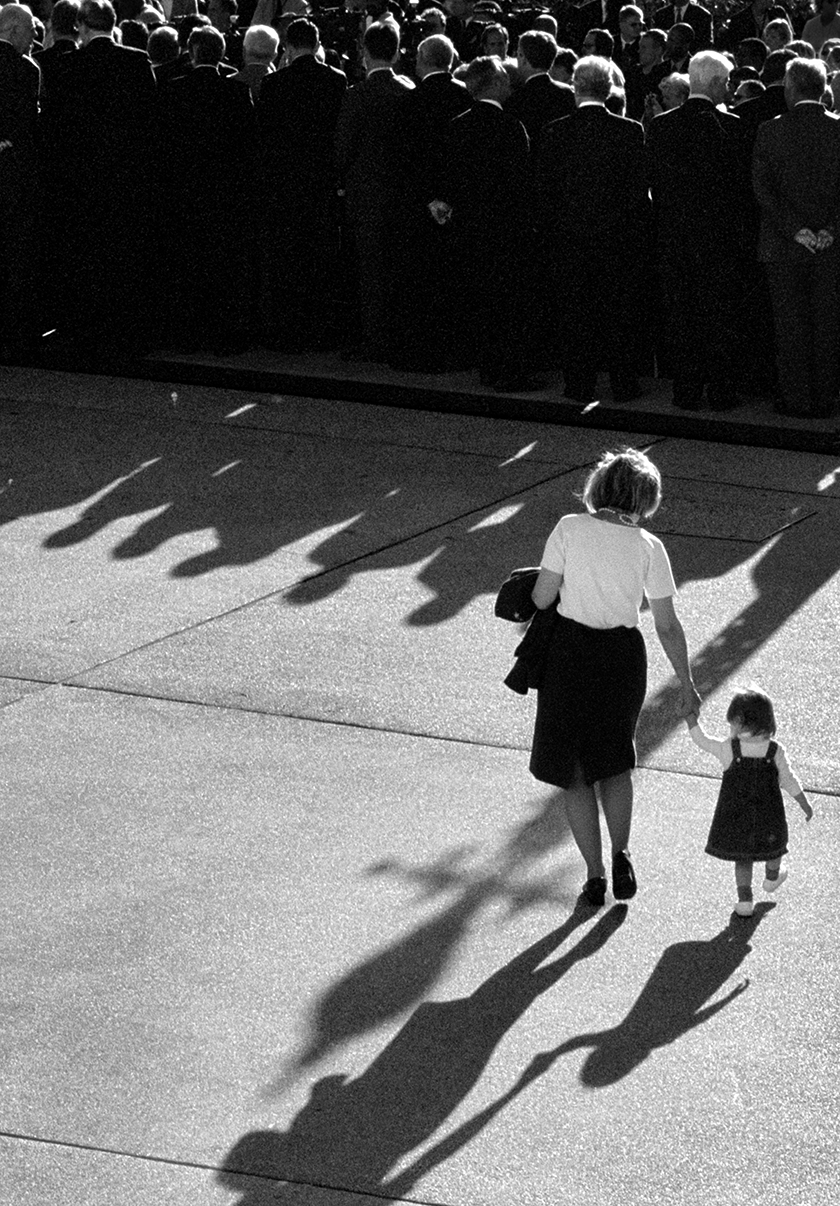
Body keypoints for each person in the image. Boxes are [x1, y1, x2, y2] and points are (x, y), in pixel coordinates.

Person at [529, 447, 701, 908]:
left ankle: (594, 875)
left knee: (575, 773)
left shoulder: (569, 528)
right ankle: (623, 852)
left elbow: (544, 598)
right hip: (622, 659)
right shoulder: (649, 547)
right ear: (645, 500)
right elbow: (667, 624)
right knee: (614, 764)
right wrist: (687, 684)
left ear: (600, 489)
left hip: (569, 655)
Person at [752, 55, 840, 416]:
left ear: (790, 88)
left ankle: (795, 398)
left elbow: (762, 189)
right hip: (831, 247)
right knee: (827, 324)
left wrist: (794, 229)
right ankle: (824, 398)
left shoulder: (770, 130)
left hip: (783, 246)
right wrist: (831, 229)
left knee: (790, 327)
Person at [685, 689, 813, 917]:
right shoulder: (774, 750)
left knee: (742, 859)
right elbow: (788, 779)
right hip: (768, 815)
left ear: (739, 722)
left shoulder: (729, 749)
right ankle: (772, 877)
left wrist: (691, 719)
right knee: (775, 847)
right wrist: (803, 802)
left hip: (735, 817)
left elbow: (702, 740)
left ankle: (745, 901)